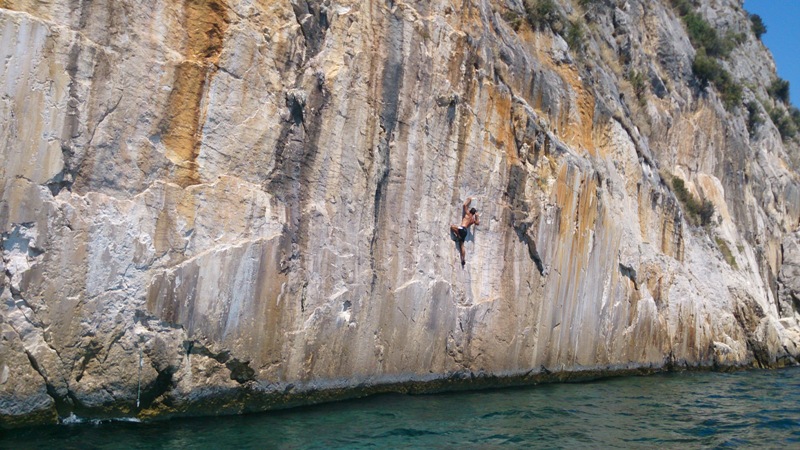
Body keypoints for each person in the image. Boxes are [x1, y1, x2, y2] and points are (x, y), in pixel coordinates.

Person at [449, 197, 480, 267]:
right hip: (465, 231)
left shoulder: (468, 214)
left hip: (462, 228)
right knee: (462, 245)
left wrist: (469, 200)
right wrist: (477, 217)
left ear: (470, 211)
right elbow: (477, 223)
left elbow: (464, 205)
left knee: (452, 227)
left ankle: (458, 236)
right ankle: (463, 259)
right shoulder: (472, 220)